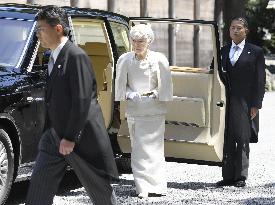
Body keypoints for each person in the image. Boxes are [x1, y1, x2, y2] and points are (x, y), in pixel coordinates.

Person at [26, 6, 118, 205]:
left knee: (100, 192)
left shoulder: (76, 56)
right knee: (39, 185)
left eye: (41, 29)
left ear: (58, 28)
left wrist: (69, 137)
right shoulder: (53, 56)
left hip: (80, 138)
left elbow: (82, 99)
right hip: (54, 136)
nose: (37, 34)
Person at [115, 24, 173, 198]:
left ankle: (158, 186)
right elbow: (120, 87)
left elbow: (166, 85)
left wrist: (155, 93)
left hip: (155, 110)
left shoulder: (159, 59)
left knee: (155, 149)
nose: (137, 44)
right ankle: (143, 188)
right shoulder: (124, 59)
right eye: (134, 41)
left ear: (149, 41)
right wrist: (130, 94)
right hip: (136, 111)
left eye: (141, 41)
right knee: (139, 150)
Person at [217, 17, 265, 188]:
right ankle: (228, 176)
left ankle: (241, 176)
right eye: (232, 28)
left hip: (245, 102)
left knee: (242, 138)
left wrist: (256, 105)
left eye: (238, 28)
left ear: (246, 31)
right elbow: (214, 75)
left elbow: (260, 81)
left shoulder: (256, 52)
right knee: (226, 138)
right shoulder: (222, 51)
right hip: (224, 102)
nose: (235, 31)